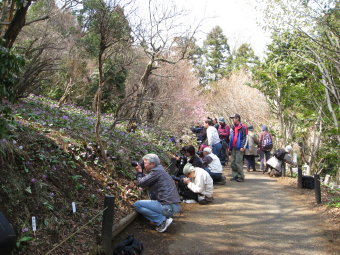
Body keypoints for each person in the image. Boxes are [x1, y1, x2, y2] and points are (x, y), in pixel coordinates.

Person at [134, 154, 181, 233]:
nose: (144, 165)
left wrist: (139, 172)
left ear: (152, 164)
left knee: (137, 204)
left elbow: (141, 182)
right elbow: (146, 180)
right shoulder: (160, 171)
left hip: (168, 207)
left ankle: (161, 221)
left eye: (145, 163)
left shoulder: (156, 172)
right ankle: (164, 218)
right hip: (173, 206)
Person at [228, 114, 248, 182]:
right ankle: (235, 175)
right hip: (233, 147)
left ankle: (241, 176)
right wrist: (229, 147)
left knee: (238, 162)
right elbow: (231, 137)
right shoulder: (233, 127)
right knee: (233, 162)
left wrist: (243, 146)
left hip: (239, 147)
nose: (232, 120)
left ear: (238, 119)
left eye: (233, 118)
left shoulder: (243, 127)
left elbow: (245, 137)